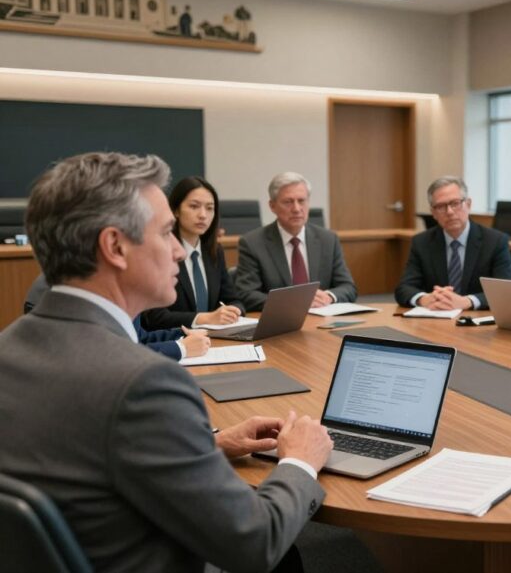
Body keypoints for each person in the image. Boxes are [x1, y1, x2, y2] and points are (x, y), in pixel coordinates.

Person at [0, 152, 333, 571]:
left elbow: (80, 454)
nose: (179, 251)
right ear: (115, 247)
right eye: (166, 233)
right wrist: (301, 460)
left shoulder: (9, 348)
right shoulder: (144, 383)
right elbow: (256, 543)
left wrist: (209, 444)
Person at [236, 172, 357, 311]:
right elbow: (246, 294)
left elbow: (348, 287)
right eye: (288, 202)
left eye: (301, 201)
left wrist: (328, 296)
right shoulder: (252, 243)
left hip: (323, 321)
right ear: (272, 206)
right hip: (280, 324)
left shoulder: (328, 239)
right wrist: (293, 303)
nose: (296, 209)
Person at [24, 273, 210, 361]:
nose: (177, 250)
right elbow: (106, 361)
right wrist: (180, 348)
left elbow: (135, 339)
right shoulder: (82, 290)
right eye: (163, 233)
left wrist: (179, 334)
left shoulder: (117, 283)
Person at [394, 176, 511, 310]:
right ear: (433, 213)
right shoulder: (422, 242)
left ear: (468, 204)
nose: (449, 212)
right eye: (440, 206)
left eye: (455, 203)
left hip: (477, 323)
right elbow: (404, 288)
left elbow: (505, 291)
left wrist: (467, 301)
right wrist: (424, 299)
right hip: (435, 322)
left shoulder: (495, 242)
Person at [142, 176, 246, 330]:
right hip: (175, 341)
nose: (203, 215)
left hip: (213, 339)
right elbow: (153, 317)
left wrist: (235, 310)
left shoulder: (215, 251)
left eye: (210, 208)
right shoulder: (162, 251)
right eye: (194, 206)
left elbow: (232, 299)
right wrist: (204, 318)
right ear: (176, 210)